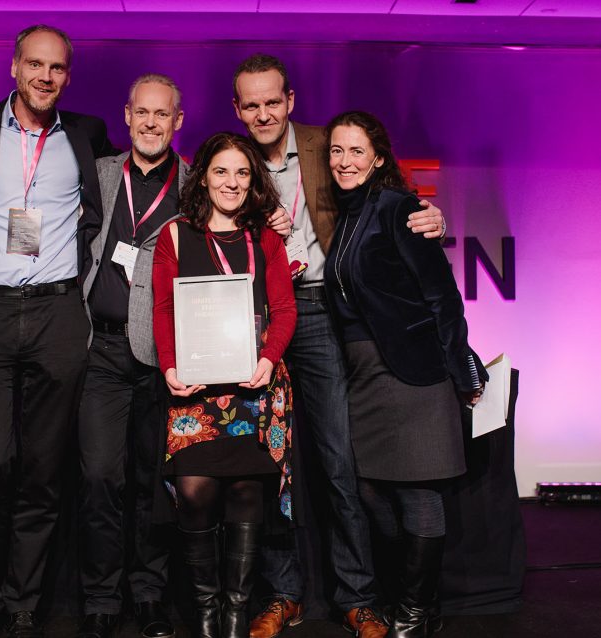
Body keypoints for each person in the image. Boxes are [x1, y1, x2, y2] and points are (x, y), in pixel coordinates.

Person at [231, 54, 448, 638]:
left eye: (272, 101)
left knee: (338, 462)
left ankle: (357, 595)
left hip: (325, 313)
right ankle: (283, 594)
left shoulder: (327, 144)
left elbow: (386, 193)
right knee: (268, 462)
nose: (262, 113)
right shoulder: (231, 158)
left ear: (291, 100)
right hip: (257, 319)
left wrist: (430, 217)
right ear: (237, 109)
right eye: (251, 104)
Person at [0, 25, 117, 638]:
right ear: (15, 67)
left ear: (68, 75)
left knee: (44, 469)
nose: (46, 77)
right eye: (36, 65)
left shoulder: (87, 135)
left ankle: (22, 604)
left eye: (58, 68)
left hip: (57, 315)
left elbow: (116, 206)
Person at [323, 110, 485, 638]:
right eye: (336, 151)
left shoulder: (399, 208)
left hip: (414, 371)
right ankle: (413, 597)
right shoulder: (347, 216)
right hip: (365, 376)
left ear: (377, 157)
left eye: (355, 151)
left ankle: (415, 611)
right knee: (371, 489)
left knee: (419, 494)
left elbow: (442, 295)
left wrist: (460, 364)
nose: (344, 162)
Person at [152, 132, 297, 638]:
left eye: (241, 172)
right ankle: (207, 611)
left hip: (254, 386)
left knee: (245, 491)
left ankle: (234, 615)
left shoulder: (267, 238)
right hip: (195, 391)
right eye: (220, 171)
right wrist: (170, 366)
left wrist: (267, 357)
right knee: (193, 492)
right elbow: (164, 308)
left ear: (253, 179)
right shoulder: (175, 235)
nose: (231, 182)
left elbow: (284, 310)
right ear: (204, 177)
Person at [77, 74, 188, 638]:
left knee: (152, 481)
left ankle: (147, 593)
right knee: (100, 476)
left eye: (161, 114)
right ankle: (100, 597)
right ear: (126, 115)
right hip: (102, 348)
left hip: (163, 357)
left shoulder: (195, 184)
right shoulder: (97, 174)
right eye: (141, 112)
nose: (150, 123)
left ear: (178, 121)